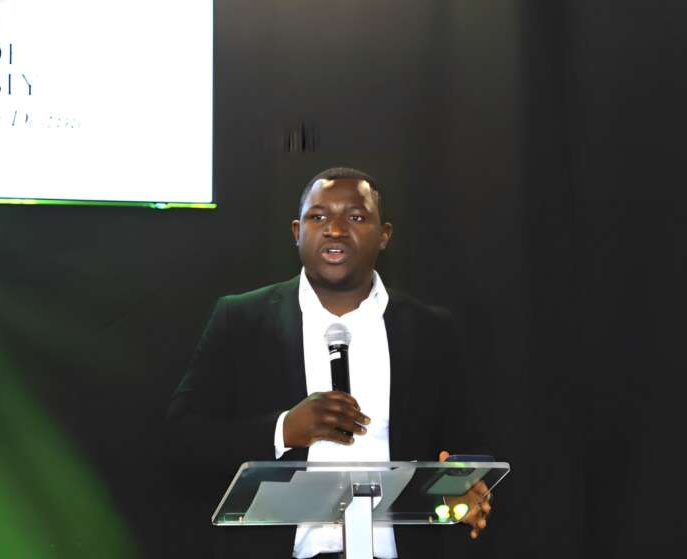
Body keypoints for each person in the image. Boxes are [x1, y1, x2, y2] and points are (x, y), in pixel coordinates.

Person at [167, 167, 492, 558]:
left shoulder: (429, 329)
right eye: (318, 216)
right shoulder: (242, 320)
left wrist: (462, 485)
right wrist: (283, 430)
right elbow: (182, 440)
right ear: (296, 231)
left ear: (384, 235)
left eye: (355, 217)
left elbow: (465, 445)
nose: (335, 230)